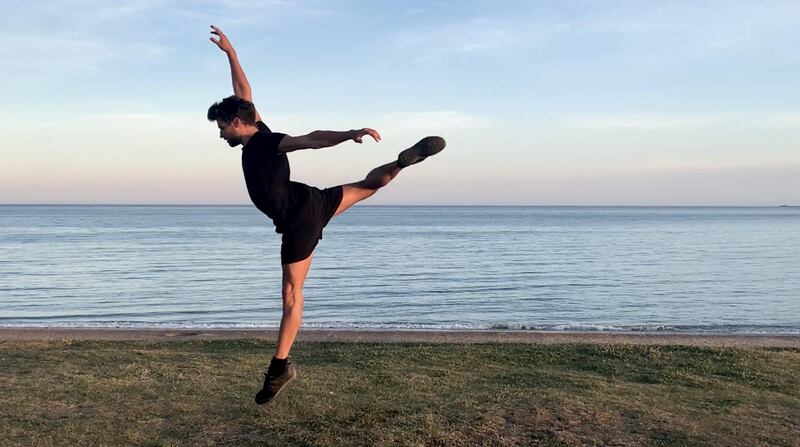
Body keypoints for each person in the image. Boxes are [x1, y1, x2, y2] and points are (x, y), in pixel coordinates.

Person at [208, 26, 445, 405]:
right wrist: (232, 54)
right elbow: (244, 95)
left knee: (291, 295)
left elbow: (311, 139)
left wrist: (347, 133)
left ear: (237, 123)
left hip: (299, 219)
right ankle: (402, 163)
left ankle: (279, 368)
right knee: (369, 186)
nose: (220, 135)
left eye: (222, 128)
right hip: (312, 200)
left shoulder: (266, 142)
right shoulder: (257, 128)